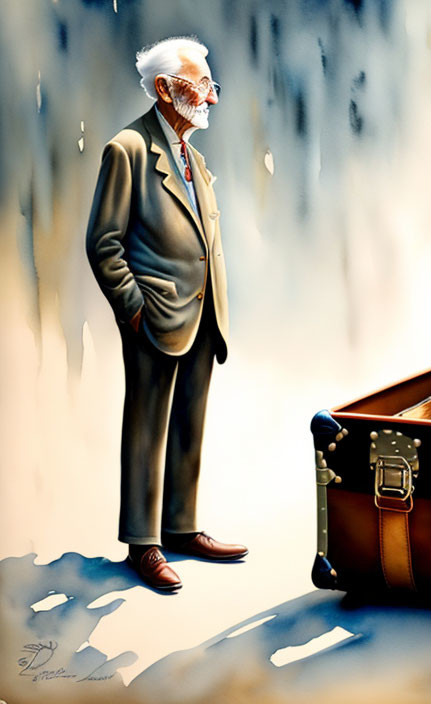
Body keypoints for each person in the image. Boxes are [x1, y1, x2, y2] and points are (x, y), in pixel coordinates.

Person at [86, 36, 246, 591]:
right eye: (201, 85)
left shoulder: (193, 157)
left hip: (201, 315)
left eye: (210, 85)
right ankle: (143, 543)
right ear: (164, 89)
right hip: (154, 316)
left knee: (188, 426)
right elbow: (104, 243)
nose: (212, 99)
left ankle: (181, 527)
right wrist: (133, 310)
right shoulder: (126, 149)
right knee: (148, 428)